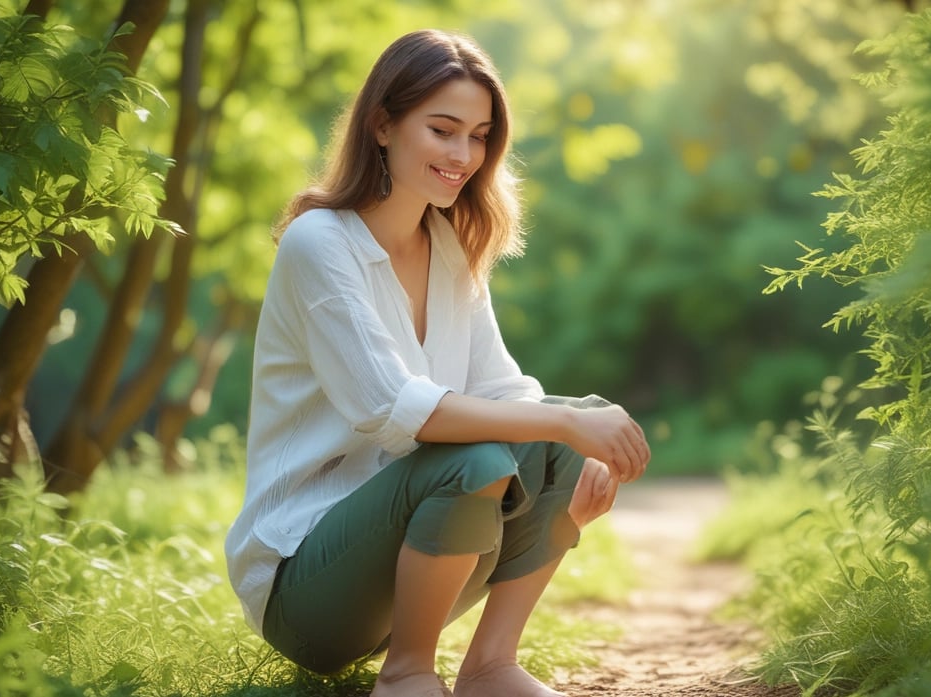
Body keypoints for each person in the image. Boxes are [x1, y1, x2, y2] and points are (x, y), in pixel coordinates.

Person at [224, 28, 651, 697]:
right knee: (489, 453)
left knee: (569, 422)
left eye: (479, 136)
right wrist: (561, 429)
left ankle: (489, 668)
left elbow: (504, 390)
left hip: (405, 567)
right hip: (305, 584)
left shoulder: (446, 245)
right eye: (443, 130)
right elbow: (394, 409)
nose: (464, 155)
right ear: (383, 125)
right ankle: (407, 676)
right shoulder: (319, 244)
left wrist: (573, 448)